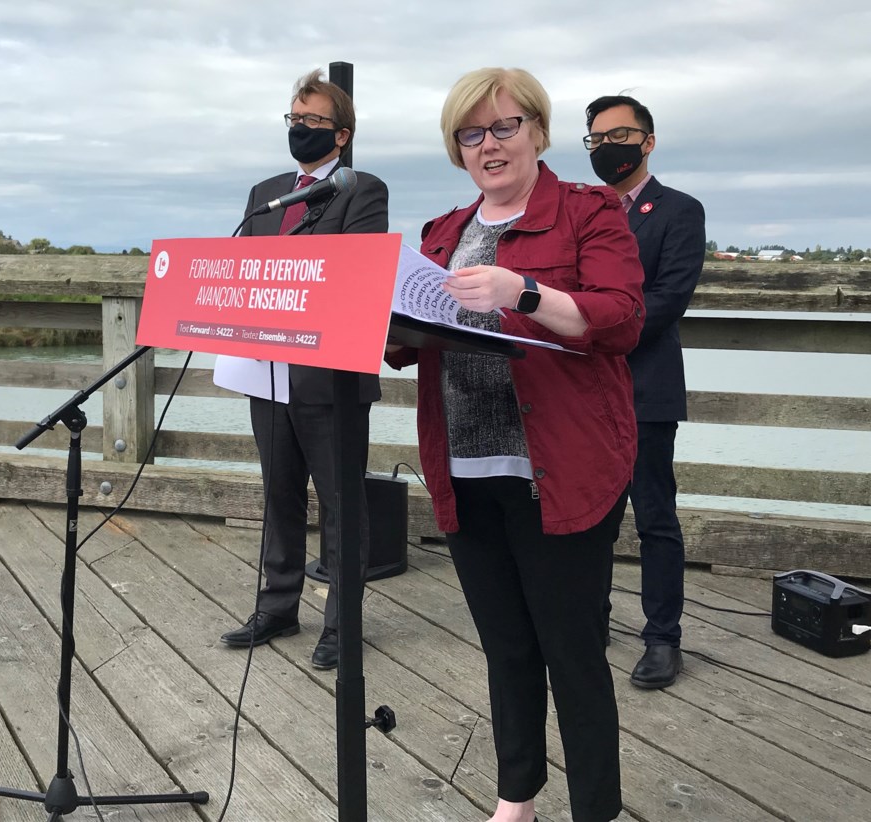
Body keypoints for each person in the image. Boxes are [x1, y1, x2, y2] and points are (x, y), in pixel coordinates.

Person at [386, 68, 644, 822]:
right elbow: (416, 342)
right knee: (505, 647)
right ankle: (517, 798)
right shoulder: (442, 232)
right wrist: (387, 322)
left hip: (560, 471)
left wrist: (522, 292)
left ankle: (595, 807)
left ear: (537, 129)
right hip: (465, 466)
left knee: (573, 654)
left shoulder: (588, 212)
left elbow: (621, 319)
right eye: (472, 133)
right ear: (456, 146)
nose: (489, 144)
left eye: (505, 127)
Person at [218, 69, 389, 670]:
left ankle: (342, 622)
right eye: (293, 119)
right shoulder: (266, 191)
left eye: (312, 122)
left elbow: (349, 271)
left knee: (342, 503)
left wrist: (285, 275)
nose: (299, 130)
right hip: (264, 370)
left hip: (330, 376)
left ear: (340, 135)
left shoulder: (361, 190)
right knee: (279, 494)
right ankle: (277, 606)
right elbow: (243, 268)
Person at [585, 95, 706, 689]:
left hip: (645, 387)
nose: (608, 147)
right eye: (596, 139)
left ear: (648, 141)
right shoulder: (582, 212)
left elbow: (667, 298)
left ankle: (662, 637)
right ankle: (592, 618)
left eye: (619, 135)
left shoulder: (679, 211)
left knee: (655, 517)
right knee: (591, 518)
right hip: (584, 392)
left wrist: (589, 330)